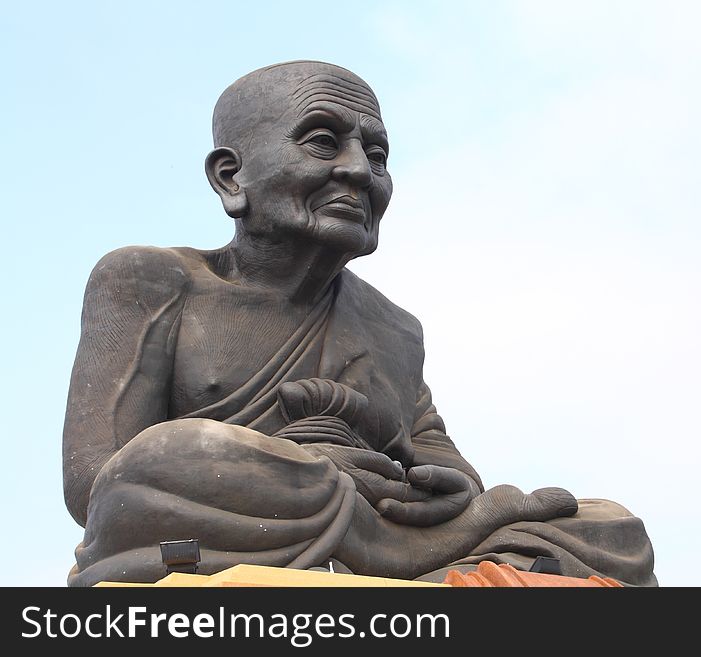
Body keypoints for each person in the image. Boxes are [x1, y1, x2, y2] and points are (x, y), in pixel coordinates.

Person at [63, 61, 657, 587]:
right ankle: (396, 550)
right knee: (176, 451)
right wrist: (309, 468)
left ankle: (398, 551)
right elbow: (96, 480)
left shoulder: (394, 328)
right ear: (230, 178)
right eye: (324, 143)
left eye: (377, 157)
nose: (359, 172)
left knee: (611, 527)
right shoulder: (149, 279)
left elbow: (447, 470)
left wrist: (418, 473)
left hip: (377, 525)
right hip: (225, 525)